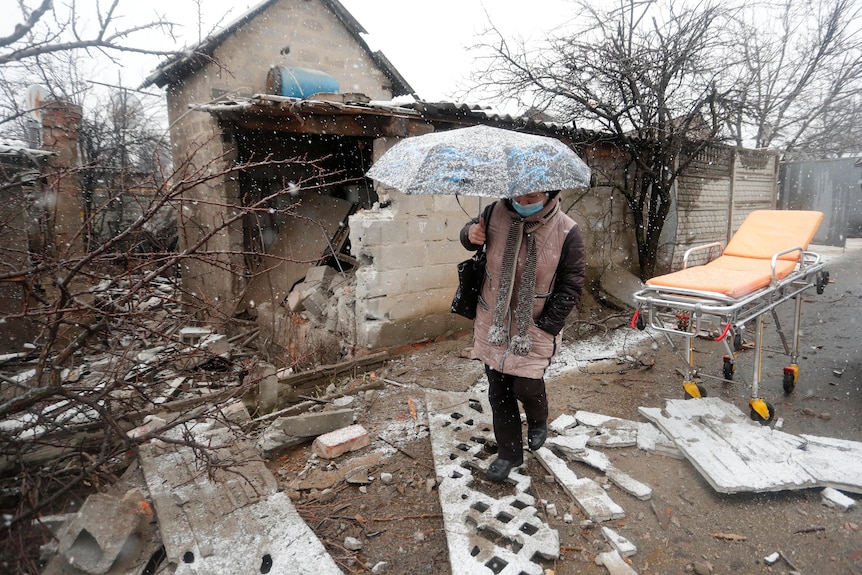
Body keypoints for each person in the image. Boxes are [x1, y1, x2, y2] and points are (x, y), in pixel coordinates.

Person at [460, 190, 586, 482]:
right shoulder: (493, 213)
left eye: (533, 198)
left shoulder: (567, 231)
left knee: (526, 386)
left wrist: (547, 324)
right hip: (495, 321)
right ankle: (509, 453)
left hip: (533, 326)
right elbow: (469, 236)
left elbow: (572, 285)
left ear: (550, 193)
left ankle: (539, 419)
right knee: (498, 391)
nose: (524, 203)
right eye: (519, 197)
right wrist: (470, 234)